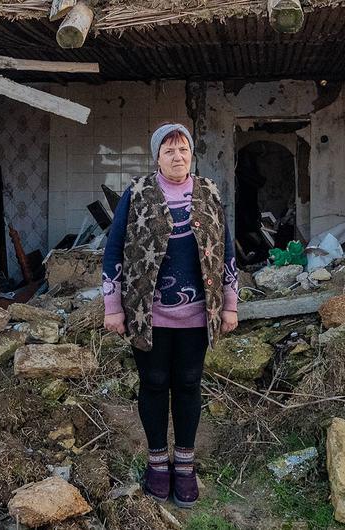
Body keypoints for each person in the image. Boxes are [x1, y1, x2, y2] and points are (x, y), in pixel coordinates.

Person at [101, 123, 240, 508]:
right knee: (154, 382)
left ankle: (185, 465)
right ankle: (157, 462)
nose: (177, 157)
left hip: (198, 314)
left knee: (190, 383)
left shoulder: (209, 192)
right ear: (157, 157)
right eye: (169, 151)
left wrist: (230, 304)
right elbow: (113, 251)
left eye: (183, 151)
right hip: (149, 313)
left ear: (191, 155)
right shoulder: (137, 192)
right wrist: (113, 307)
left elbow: (226, 251)